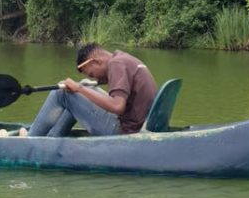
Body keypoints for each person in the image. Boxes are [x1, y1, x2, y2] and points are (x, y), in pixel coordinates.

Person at [28, 42, 157, 137]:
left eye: (92, 74)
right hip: (137, 124)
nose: (94, 77)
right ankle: (53, 137)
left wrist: (80, 89)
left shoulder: (115, 64)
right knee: (83, 85)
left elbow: (118, 106)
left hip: (123, 132)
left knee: (61, 92)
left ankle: (30, 139)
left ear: (96, 62)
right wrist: (86, 85)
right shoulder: (123, 59)